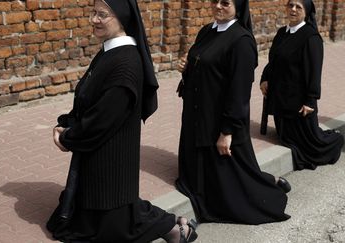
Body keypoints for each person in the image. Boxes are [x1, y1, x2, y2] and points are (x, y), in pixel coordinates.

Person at [46, 0, 198, 242]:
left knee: (117, 227)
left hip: (111, 160)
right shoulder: (110, 51)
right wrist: (66, 122)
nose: (93, 19)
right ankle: (174, 226)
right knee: (107, 217)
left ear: (122, 17)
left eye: (102, 14)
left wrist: (68, 137)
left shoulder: (126, 62)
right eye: (93, 13)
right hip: (99, 156)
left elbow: (102, 118)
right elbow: (88, 97)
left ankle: (174, 228)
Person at [175, 0, 290, 225]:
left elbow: (239, 91)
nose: (218, 6)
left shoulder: (241, 41)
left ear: (238, 6)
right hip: (199, 113)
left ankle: (266, 185)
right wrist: (187, 68)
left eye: (225, 2)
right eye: (215, 1)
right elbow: (202, 66)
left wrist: (227, 131)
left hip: (219, 117)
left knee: (231, 182)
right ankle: (267, 179)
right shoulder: (207, 31)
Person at [260, 0, 344, 170]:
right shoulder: (282, 32)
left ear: (306, 12)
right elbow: (273, 60)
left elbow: (314, 71)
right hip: (282, 97)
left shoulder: (311, 37)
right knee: (285, 137)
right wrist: (265, 78)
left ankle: (336, 140)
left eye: (298, 7)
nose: (293, 9)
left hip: (298, 102)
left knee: (312, 145)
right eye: (290, 5)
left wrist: (311, 100)